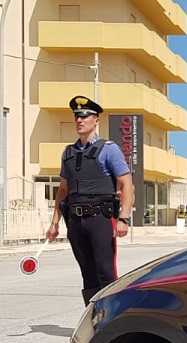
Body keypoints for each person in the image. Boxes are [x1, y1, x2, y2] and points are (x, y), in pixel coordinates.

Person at [46, 95, 134, 306]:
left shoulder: (108, 149)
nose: (80, 120)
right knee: (87, 273)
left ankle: (113, 321)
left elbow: (127, 184)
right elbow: (63, 191)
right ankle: (94, 321)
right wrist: (54, 222)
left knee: (105, 271)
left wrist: (123, 218)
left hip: (100, 219)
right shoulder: (68, 153)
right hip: (75, 222)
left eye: (85, 116)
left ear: (96, 120)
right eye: (77, 116)